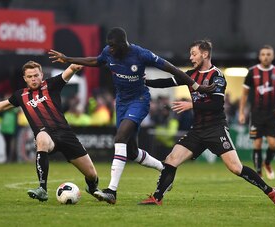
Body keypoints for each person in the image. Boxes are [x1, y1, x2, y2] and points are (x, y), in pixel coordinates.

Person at [48, 27, 215, 204]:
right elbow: (95, 61)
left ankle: (112, 191)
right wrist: (68, 59)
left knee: (120, 138)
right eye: (108, 46)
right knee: (131, 152)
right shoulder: (108, 52)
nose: (110, 49)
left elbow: (172, 69)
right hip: (121, 102)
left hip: (139, 100)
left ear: (122, 44)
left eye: (113, 46)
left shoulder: (141, 54)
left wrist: (197, 86)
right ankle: (163, 168)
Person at [138, 40, 275, 206]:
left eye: (194, 54)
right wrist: (144, 82)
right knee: (171, 159)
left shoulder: (217, 76)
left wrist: (191, 104)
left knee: (236, 168)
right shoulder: (190, 75)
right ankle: (157, 198)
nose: (191, 57)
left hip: (216, 129)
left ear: (205, 54)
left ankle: (270, 191)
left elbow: (216, 104)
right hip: (197, 130)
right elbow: (167, 82)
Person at [0, 61, 102, 202]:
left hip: (66, 135)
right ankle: (42, 189)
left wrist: (76, 65)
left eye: (36, 75)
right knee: (41, 138)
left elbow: (69, 70)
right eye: (30, 76)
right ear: (25, 78)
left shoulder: (51, 85)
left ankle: (93, 188)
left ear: (41, 75)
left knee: (92, 174)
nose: (33, 79)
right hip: (47, 135)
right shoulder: (21, 95)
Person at [238, 45, 275, 180]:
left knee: (273, 144)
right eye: (263, 54)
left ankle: (267, 163)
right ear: (260, 56)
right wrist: (242, 112)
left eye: (268, 54)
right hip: (256, 114)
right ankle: (258, 173)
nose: (266, 56)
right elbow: (244, 95)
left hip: (272, 114)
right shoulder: (252, 72)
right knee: (257, 143)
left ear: (272, 56)